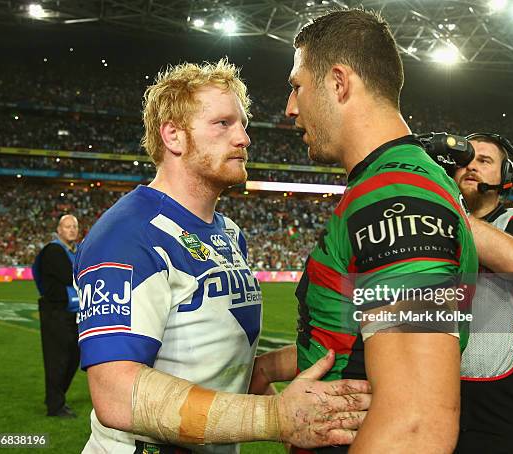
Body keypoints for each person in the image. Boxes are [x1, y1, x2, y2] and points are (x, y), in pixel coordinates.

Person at [73, 59, 371, 454]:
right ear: (174, 136)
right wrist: (275, 417)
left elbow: (217, 360)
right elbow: (116, 394)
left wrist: (323, 358)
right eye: (223, 123)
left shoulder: (229, 234)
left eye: (242, 123)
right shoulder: (128, 235)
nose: (244, 138)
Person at [279, 8, 478, 453]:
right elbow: (358, 343)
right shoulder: (396, 182)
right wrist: (269, 367)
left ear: (338, 82)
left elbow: (416, 424)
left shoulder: (394, 197)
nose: (290, 108)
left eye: (297, 86)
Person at [454, 133, 513, 453]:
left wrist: (445, 207)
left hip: (494, 390)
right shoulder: (433, 224)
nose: (471, 166)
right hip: (435, 380)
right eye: (465, 160)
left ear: (505, 175)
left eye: (484, 161)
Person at [33, 214, 80, 418]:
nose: (72, 230)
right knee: (58, 360)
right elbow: (71, 275)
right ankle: (55, 405)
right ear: (59, 230)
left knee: (72, 358)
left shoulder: (74, 252)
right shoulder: (53, 250)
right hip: (56, 313)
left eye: (75, 226)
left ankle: (56, 397)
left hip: (71, 314)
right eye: (67, 226)